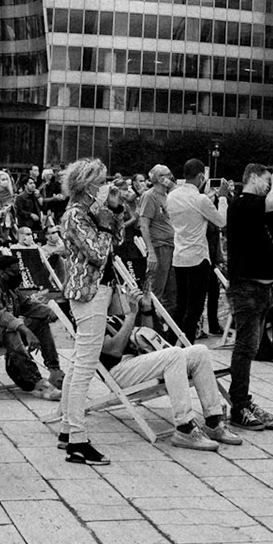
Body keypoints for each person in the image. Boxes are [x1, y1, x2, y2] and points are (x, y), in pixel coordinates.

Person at [99, 285, 239, 450]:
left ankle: (214, 421)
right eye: (117, 292)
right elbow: (114, 350)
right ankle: (185, 428)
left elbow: (149, 338)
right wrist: (132, 314)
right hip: (118, 371)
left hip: (139, 364)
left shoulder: (118, 315)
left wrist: (146, 310)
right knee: (174, 354)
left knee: (200, 351)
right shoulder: (95, 319)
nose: (120, 295)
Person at [54, 158, 123, 465]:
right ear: (87, 185)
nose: (105, 186)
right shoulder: (75, 215)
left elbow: (114, 241)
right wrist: (107, 223)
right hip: (89, 292)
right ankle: (78, 441)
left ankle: (68, 430)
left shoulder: (88, 212)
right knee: (85, 366)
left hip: (95, 291)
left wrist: (115, 212)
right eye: (102, 181)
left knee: (80, 363)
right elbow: (97, 252)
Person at [224, 164, 273, 433]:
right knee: (245, 347)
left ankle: (243, 401)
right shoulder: (241, 204)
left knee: (251, 347)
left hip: (263, 288)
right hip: (246, 287)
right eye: (264, 180)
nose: (268, 185)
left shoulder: (264, 206)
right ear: (252, 177)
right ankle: (239, 405)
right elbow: (271, 199)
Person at [0, 255, 64, 398]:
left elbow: (28, 306)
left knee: (39, 322)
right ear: (2, 273)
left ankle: (54, 370)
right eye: (14, 272)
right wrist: (26, 331)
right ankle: (35, 381)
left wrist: (54, 313)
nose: (18, 275)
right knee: (9, 329)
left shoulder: (10, 290)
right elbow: (2, 316)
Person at [163, 159, 226, 339]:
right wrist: (221, 197)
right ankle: (187, 343)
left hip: (180, 255)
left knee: (181, 303)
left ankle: (172, 341)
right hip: (198, 256)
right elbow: (221, 221)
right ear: (200, 176)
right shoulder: (201, 199)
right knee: (195, 307)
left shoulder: (172, 196)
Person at [134, 164, 178, 313]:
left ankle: (169, 326)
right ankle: (151, 322)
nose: (170, 177)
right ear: (159, 178)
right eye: (167, 174)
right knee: (157, 289)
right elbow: (144, 225)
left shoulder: (168, 196)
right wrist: (151, 252)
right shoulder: (150, 196)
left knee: (172, 290)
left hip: (172, 246)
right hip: (159, 246)